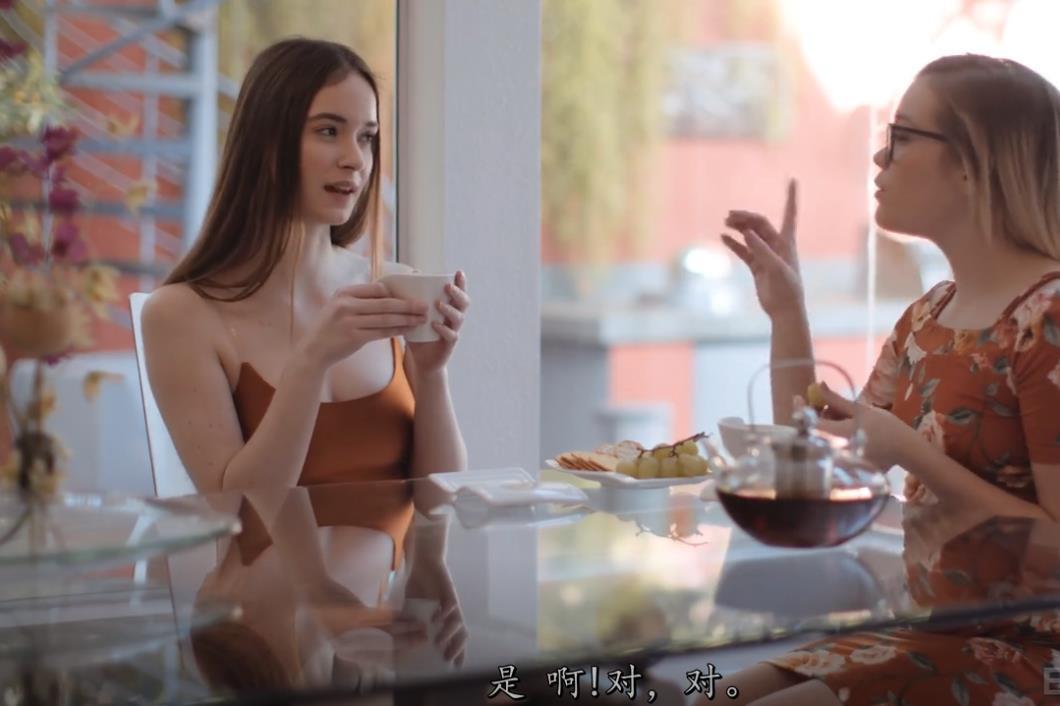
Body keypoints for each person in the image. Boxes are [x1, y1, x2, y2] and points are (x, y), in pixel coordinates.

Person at [717, 54, 1060, 705]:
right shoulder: (927, 317)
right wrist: (787, 309)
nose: (880, 157)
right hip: (932, 636)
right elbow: (813, 455)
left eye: (902, 137)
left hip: (1032, 655)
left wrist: (910, 451)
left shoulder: (1049, 318)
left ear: (972, 162)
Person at [141, 38, 469, 492]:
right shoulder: (180, 314)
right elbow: (234, 506)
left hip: (397, 546)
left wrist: (431, 374)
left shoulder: (395, 288)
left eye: (367, 137)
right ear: (266, 142)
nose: (355, 159)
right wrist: (311, 362)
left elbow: (439, 501)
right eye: (328, 131)